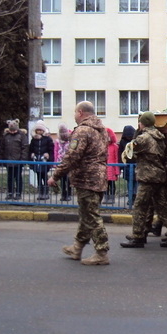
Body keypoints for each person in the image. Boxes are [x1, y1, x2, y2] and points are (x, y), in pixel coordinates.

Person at [49, 101, 110, 265]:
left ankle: (101, 253)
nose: (75, 116)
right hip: (99, 177)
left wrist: (56, 176)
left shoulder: (82, 130)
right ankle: (77, 247)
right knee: (86, 215)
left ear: (81, 112)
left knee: (91, 216)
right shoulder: (101, 130)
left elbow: (72, 157)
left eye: (75, 113)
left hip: (86, 178)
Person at [120, 112, 167, 249]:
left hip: (147, 176)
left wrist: (137, 132)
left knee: (140, 206)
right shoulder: (160, 136)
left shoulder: (143, 138)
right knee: (162, 206)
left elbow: (130, 153)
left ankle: (138, 236)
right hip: (159, 175)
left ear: (142, 123)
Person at [0, 119, 28, 200]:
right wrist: (1, 159)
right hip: (8, 161)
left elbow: (25, 148)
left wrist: (23, 160)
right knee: (10, 178)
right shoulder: (6, 136)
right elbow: (2, 148)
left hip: (18, 161)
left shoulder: (21, 135)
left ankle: (18, 193)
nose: (12, 131)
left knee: (18, 178)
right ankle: (10, 193)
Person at [29, 120, 54, 201]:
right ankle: (40, 192)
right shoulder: (34, 140)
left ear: (43, 130)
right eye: (38, 130)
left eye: (41, 130)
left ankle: (46, 193)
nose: (39, 131)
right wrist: (32, 154)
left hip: (44, 161)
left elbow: (51, 149)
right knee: (39, 177)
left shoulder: (47, 139)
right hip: (37, 160)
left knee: (44, 176)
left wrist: (48, 156)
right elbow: (31, 149)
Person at [54, 123, 73, 201]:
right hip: (60, 162)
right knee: (62, 179)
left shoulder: (71, 140)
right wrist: (55, 162)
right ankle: (63, 194)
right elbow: (56, 151)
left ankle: (69, 194)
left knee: (68, 179)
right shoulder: (57, 141)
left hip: (68, 162)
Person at [104, 127, 119, 204]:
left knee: (112, 184)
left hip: (112, 169)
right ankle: (106, 198)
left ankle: (112, 198)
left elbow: (116, 158)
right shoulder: (102, 146)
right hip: (104, 169)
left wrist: (117, 171)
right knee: (105, 185)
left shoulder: (115, 146)